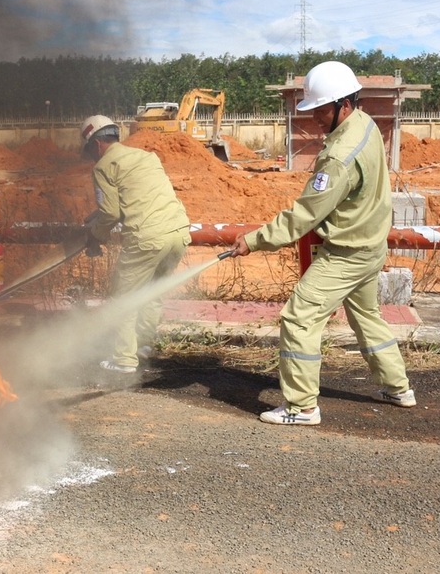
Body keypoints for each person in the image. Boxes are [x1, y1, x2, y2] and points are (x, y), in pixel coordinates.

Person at [229, 61, 415, 425]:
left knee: (298, 318)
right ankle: (398, 388)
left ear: (344, 103)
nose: (313, 116)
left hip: (346, 253)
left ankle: (301, 408)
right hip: (371, 245)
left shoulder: (337, 158)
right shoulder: (366, 125)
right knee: (367, 316)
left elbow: (303, 216)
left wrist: (254, 240)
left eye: (320, 108)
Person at [80, 115, 192, 373]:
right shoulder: (146, 156)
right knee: (152, 292)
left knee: (123, 298)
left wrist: (95, 236)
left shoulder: (103, 166)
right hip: (178, 231)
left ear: (96, 145)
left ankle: (124, 359)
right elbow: (132, 198)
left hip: (148, 238)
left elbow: (109, 213)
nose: (90, 156)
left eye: (88, 150)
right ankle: (142, 346)